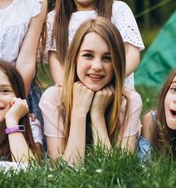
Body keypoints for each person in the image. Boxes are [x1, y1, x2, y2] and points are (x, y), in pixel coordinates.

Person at [40, 17, 142, 165]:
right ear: (74, 58)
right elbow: (65, 170)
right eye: (88, 55)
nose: (97, 66)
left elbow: (117, 169)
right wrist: (79, 112)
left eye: (107, 58)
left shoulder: (130, 101)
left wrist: (97, 114)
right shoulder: (53, 98)